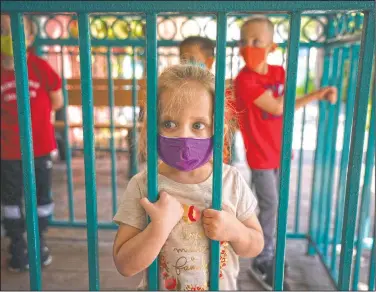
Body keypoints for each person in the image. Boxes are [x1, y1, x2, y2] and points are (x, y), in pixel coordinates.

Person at [113, 64, 264, 290]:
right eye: (169, 123)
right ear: (153, 125)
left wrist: (236, 231)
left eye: (198, 125)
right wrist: (159, 228)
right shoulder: (143, 185)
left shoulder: (230, 181)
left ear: (216, 127)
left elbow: (256, 244)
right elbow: (124, 264)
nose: (184, 136)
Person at [234, 16, 338, 290]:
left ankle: (271, 252)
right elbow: (279, 107)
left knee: (277, 206)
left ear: (272, 46)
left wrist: (319, 92)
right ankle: (263, 258)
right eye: (243, 42)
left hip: (281, 152)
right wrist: (316, 95)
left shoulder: (279, 73)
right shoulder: (244, 79)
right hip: (259, 156)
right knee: (270, 206)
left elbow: (288, 103)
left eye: (256, 41)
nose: (248, 46)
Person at [1, 14, 63, 272]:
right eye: (3, 31)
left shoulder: (40, 67)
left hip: (39, 146)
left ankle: (39, 241)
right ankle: (17, 242)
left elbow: (57, 101)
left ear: (29, 37)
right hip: (8, 150)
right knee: (11, 198)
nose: (9, 37)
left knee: (41, 196)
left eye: (16, 30)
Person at [179, 36, 237, 164]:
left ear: (209, 62)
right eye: (183, 59)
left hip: (215, 149)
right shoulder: (178, 90)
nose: (186, 64)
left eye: (192, 59)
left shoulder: (217, 88)